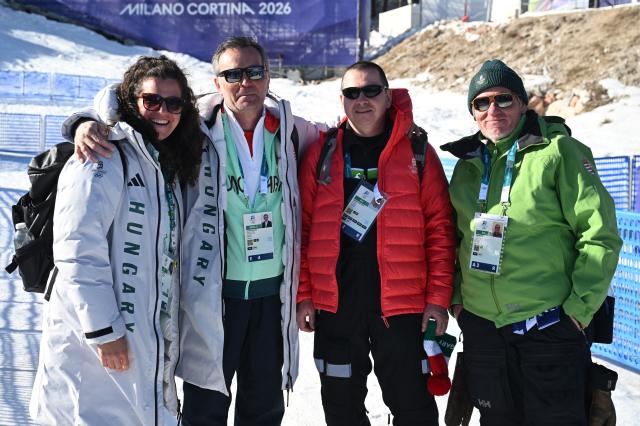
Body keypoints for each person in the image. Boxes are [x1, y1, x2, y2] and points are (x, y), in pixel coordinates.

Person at [63, 36, 328, 425]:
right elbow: (137, 109)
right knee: (205, 410)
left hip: (273, 299)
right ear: (216, 82)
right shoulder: (194, 127)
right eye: (233, 74)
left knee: (265, 409)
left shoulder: (292, 130)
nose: (245, 82)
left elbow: (351, 130)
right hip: (212, 298)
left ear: (269, 77)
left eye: (255, 72)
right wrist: (85, 121)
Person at [441, 59, 622, 426]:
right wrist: (459, 302)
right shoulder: (467, 166)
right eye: (482, 102)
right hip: (483, 331)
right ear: (473, 112)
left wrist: (577, 311)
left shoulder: (559, 152)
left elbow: (599, 235)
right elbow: (455, 241)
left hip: (549, 327)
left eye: (504, 99)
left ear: (523, 104)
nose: (493, 110)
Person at [30, 55, 204, 425]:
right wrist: (104, 330)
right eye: (151, 100)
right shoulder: (101, 154)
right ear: (130, 101)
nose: (163, 111)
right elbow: (77, 250)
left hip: (142, 328)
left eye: (174, 103)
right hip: (97, 334)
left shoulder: (164, 160)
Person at [296, 61, 455, 425]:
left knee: (414, 409)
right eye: (352, 92)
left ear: (387, 96)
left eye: (371, 91)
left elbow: (441, 230)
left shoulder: (418, 152)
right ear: (342, 100)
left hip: (402, 308)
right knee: (341, 411)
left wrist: (437, 299)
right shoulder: (322, 152)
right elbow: (301, 229)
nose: (362, 100)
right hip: (336, 305)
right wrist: (304, 294)